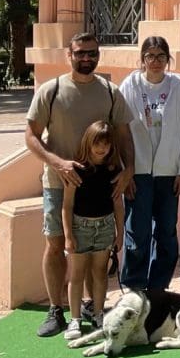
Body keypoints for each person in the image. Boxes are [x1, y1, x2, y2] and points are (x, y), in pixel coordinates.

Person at [25, 32, 134, 338]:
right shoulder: (52, 90)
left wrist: (129, 171)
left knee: (95, 249)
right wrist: (57, 163)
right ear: (69, 55)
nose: (87, 58)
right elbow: (31, 135)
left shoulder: (111, 92)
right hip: (60, 185)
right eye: (80, 53)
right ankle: (56, 310)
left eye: (92, 53)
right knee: (58, 244)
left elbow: (124, 136)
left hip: (99, 187)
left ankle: (90, 306)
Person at [118, 36, 180, 293]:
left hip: (168, 172)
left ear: (168, 59)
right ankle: (133, 284)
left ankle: (158, 285)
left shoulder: (178, 86)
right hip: (138, 172)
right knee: (137, 232)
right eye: (150, 56)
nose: (156, 61)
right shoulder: (130, 85)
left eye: (161, 56)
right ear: (142, 59)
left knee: (165, 232)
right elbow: (121, 131)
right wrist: (125, 172)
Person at [61, 121, 124, 341]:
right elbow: (67, 205)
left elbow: (117, 204)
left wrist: (120, 232)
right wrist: (68, 235)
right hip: (80, 227)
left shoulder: (113, 169)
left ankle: (98, 314)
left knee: (100, 273)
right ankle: (75, 319)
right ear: (89, 142)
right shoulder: (77, 169)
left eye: (106, 145)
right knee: (77, 275)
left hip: (105, 226)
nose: (101, 149)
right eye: (97, 143)